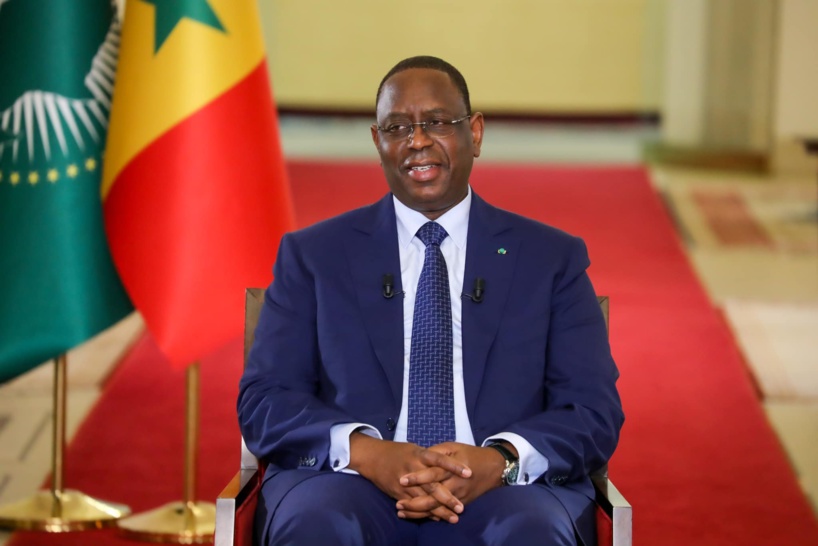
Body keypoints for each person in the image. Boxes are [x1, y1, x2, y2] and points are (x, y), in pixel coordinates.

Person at [238, 55, 624, 546]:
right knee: (317, 525)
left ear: (475, 133)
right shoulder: (314, 255)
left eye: (438, 122)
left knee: (532, 532)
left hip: (506, 490)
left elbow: (591, 409)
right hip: (346, 483)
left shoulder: (550, 259)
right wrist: (367, 453)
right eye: (397, 127)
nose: (417, 141)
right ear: (378, 142)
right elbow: (265, 400)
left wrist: (500, 460)